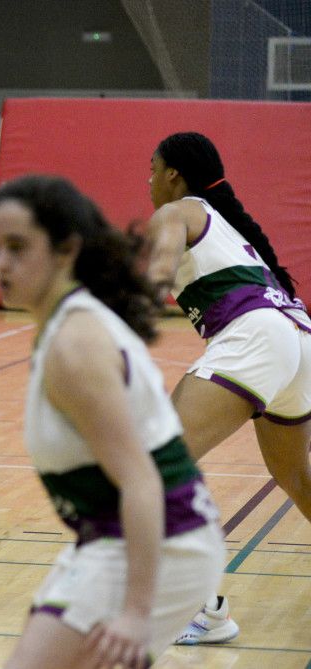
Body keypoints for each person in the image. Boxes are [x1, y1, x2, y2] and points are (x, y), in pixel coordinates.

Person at [0, 175, 225, 669]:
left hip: (164, 543)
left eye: (17, 247)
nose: (2, 264)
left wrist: (137, 612)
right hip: (110, 536)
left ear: (65, 250)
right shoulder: (65, 325)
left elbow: (140, 479)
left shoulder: (76, 345)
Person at [145, 131, 311, 645]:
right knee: (296, 473)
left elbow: (157, 272)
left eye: (152, 168)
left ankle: (202, 608)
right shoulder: (226, 226)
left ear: (174, 174)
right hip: (299, 339)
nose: (148, 180)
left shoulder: (176, 211)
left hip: (256, 335)